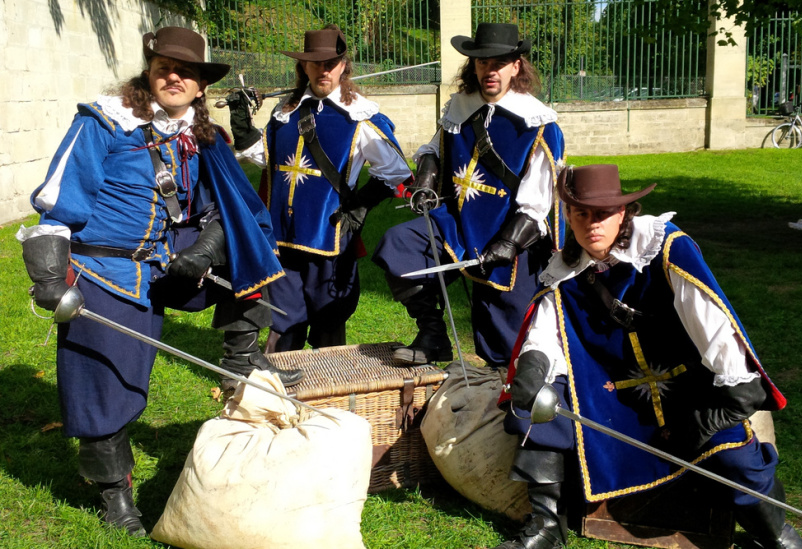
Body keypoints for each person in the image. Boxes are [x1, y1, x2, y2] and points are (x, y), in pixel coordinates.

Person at [17, 27, 301, 537]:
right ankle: (114, 495)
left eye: (187, 72)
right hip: (105, 272)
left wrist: (203, 251)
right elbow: (57, 205)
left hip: (168, 267)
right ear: (148, 72)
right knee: (108, 386)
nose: (175, 77)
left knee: (249, 245)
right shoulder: (105, 124)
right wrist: (47, 279)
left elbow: (228, 211)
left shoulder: (201, 136)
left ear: (198, 88)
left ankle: (240, 357)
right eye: (166, 67)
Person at [496, 164, 802, 549]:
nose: (591, 224)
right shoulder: (565, 271)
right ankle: (547, 528)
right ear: (568, 216)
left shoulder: (664, 249)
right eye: (581, 213)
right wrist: (533, 369)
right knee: (541, 410)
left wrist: (729, 398)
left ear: (624, 214)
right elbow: (546, 334)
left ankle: (775, 537)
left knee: (732, 452)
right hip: (608, 393)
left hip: (686, 387)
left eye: (602, 214)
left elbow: (711, 323)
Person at [372, 23, 565, 368]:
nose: (489, 71)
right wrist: (428, 180)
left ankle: (513, 400)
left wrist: (508, 242)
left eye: (499, 62)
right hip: (457, 224)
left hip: (510, 235)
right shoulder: (460, 108)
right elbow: (434, 148)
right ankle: (432, 335)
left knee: (503, 339)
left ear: (516, 66)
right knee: (400, 245)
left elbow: (538, 202)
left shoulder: (539, 124)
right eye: (482, 62)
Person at [227, 25, 413, 352]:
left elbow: (396, 170)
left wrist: (361, 205)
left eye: (331, 63)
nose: (323, 70)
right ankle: (280, 391)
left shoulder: (361, 115)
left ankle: (325, 388)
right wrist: (242, 128)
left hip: (329, 235)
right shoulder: (285, 111)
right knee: (284, 319)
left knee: (328, 319)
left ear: (344, 66)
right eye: (315, 63)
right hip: (283, 235)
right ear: (303, 66)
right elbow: (268, 158)